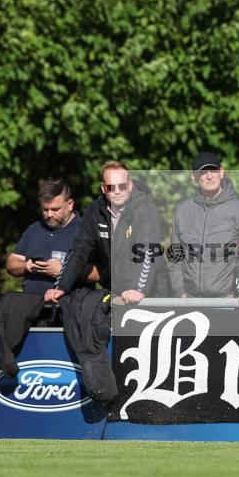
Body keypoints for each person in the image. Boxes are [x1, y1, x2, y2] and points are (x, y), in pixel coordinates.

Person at [43, 161, 164, 404]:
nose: (117, 191)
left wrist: (138, 289)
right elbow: (78, 252)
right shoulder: (94, 211)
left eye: (122, 186)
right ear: (103, 188)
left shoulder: (145, 210)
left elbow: (148, 254)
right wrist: (60, 287)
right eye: (111, 187)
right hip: (115, 290)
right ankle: (107, 392)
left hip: (151, 291)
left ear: (130, 185)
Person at [0, 179, 91, 377]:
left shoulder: (85, 230)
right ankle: (1, 352)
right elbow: (11, 263)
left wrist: (65, 271)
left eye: (55, 209)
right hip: (31, 309)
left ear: (70, 204)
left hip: (66, 308)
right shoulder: (34, 229)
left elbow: (97, 272)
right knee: (9, 300)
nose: (49, 214)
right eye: (45, 209)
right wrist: (27, 265)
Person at [167, 152, 239, 307]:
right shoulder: (182, 211)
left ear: (221, 172)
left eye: (213, 171)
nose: (209, 176)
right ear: (194, 177)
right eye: (203, 172)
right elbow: (175, 258)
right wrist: (180, 293)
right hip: (188, 301)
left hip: (227, 303)